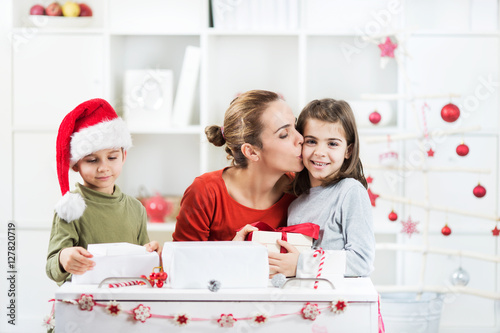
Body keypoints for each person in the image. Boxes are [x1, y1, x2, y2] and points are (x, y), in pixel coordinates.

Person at [46, 98, 159, 285]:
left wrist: (151, 254)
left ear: (124, 156)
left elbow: (142, 262)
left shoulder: (136, 208)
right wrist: (63, 258)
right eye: (92, 160)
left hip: (125, 304)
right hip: (85, 305)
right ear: (76, 164)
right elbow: (52, 267)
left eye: (112, 157)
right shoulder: (70, 209)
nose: (103, 167)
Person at [172, 90, 304, 242]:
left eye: (296, 126)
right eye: (284, 134)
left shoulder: (301, 189)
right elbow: (181, 262)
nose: (300, 138)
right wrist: (233, 253)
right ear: (251, 151)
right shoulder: (205, 192)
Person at [271, 98, 375, 277]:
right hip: (301, 300)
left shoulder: (350, 192)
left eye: (332, 144)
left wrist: (302, 265)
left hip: (335, 302)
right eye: (311, 141)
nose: (320, 152)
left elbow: (361, 261)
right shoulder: (295, 204)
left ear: (348, 150)